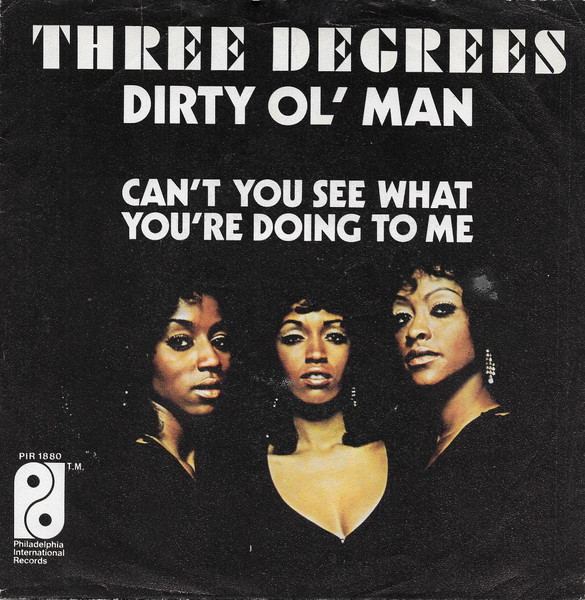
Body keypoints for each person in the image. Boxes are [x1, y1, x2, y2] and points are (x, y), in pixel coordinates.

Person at [237, 286, 413, 596]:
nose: (316, 353)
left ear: (356, 348)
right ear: (269, 352)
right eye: (294, 338)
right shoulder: (243, 476)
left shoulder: (407, 454)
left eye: (335, 336)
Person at [71, 277, 240, 588]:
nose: (212, 359)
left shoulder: (222, 462)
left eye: (220, 340)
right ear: (141, 352)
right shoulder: (126, 472)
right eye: (181, 341)